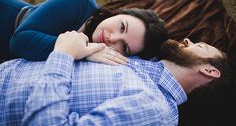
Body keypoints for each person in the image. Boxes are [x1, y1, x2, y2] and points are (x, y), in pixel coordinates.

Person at [0, 31, 234, 126]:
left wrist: (63, 54)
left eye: (200, 46)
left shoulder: (154, 111)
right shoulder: (144, 63)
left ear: (210, 71)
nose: (188, 40)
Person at [0, 0, 167, 64]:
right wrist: (82, 51)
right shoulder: (78, 0)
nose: (112, 38)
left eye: (124, 47)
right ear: (119, 13)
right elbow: (20, 41)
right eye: (122, 27)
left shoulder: (102, 55)